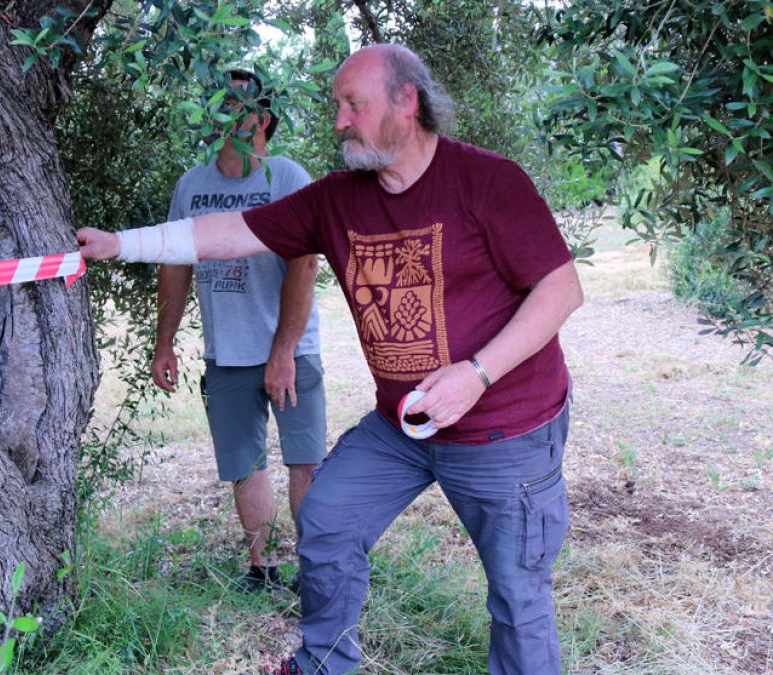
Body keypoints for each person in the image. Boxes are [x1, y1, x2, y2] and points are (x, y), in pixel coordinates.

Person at [78, 44, 583, 675]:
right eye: (336, 105)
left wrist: (476, 375)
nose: (339, 120)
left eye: (353, 104)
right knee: (327, 518)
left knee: (518, 594)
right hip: (402, 425)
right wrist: (122, 244)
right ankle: (323, 663)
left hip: (505, 428)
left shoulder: (488, 182)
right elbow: (229, 232)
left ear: (407, 101)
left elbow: (562, 288)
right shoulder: (336, 200)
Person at [153, 70, 327, 592]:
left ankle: (319, 570)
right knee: (243, 464)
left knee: (304, 461)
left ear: (262, 119)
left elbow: (305, 266)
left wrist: (284, 352)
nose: (221, 111)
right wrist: (165, 341)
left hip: (289, 348)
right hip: (226, 352)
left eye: (235, 103)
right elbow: (175, 265)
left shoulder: (287, 178)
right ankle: (265, 569)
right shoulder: (192, 185)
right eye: (216, 100)